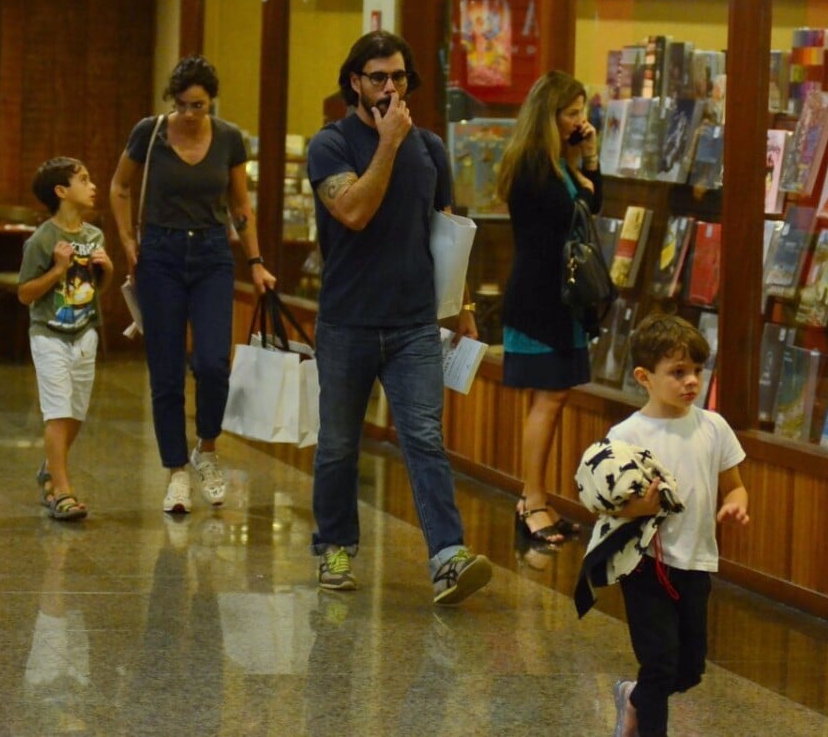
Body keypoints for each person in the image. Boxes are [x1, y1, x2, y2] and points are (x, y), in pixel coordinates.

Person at [305, 30, 491, 605]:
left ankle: (447, 557)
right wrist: (386, 143)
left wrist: (462, 308)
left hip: (414, 323)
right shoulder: (330, 145)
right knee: (338, 443)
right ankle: (335, 547)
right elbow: (354, 211)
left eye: (400, 77)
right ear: (355, 82)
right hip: (347, 321)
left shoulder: (430, 148)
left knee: (425, 439)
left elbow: (447, 233)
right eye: (378, 77)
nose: (390, 87)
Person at [110, 55, 275, 515]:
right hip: (159, 253)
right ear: (172, 101)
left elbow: (241, 206)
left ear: (211, 103)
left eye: (198, 106)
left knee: (212, 361)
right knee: (165, 370)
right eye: (182, 105)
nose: (189, 114)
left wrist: (256, 261)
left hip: (211, 254)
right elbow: (120, 186)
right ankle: (176, 471)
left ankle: (207, 450)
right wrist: (127, 238)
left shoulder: (228, 139)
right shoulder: (149, 132)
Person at [603, 314, 750, 737]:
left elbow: (736, 487)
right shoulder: (626, 435)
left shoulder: (713, 426)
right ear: (644, 377)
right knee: (661, 662)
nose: (691, 382)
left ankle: (633, 696)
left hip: (697, 562)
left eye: (697, 371)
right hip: (645, 565)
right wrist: (637, 508)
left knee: (688, 669)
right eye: (678, 372)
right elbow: (607, 505)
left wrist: (736, 506)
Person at [496, 70, 601, 545]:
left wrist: (586, 157)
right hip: (539, 297)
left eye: (582, 112)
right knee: (549, 397)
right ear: (549, 115)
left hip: (562, 296)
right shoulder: (534, 165)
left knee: (554, 399)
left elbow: (593, 207)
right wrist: (578, 164)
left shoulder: (558, 161)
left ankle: (534, 498)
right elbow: (568, 212)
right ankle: (531, 501)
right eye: (572, 113)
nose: (580, 121)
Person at [20, 157, 114, 521]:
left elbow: (95, 290)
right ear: (61, 192)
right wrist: (58, 269)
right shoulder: (42, 239)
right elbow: (25, 294)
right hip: (49, 335)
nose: (93, 186)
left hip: (84, 332)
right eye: (84, 180)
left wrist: (107, 270)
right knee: (58, 412)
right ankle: (61, 489)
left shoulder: (94, 236)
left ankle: (50, 467)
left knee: (76, 412)